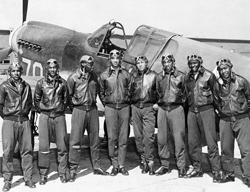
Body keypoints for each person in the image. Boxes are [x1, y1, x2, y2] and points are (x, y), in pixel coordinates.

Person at [67, 55, 109, 182]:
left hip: (92, 110)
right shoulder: (73, 78)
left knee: (95, 140)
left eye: (92, 64)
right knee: (75, 141)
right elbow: (68, 96)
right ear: (83, 64)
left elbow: (98, 92)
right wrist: (76, 107)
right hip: (79, 110)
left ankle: (96, 166)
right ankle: (73, 169)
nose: (92, 66)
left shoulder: (94, 76)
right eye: (90, 64)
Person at [184, 54, 223, 182]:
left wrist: (219, 111)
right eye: (191, 63)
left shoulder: (208, 76)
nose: (193, 65)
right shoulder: (187, 77)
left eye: (195, 63)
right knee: (193, 142)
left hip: (206, 110)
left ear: (200, 63)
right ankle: (197, 168)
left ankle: (216, 170)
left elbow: (216, 94)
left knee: (211, 142)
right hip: (192, 111)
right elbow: (186, 95)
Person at [214, 59, 250, 187]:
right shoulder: (217, 85)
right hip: (225, 120)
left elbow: (249, 97)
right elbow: (216, 101)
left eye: (226, 68)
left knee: (246, 149)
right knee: (226, 149)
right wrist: (223, 112)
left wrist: (244, 111)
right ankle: (229, 173)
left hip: (242, 118)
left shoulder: (241, 81)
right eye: (221, 69)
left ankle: (248, 176)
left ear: (230, 68)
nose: (224, 71)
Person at [0, 62, 36, 191]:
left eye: (18, 71)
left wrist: (25, 117)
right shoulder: (4, 86)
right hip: (10, 121)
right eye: (14, 71)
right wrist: (7, 117)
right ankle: (7, 180)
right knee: (8, 151)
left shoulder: (26, 86)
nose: (16, 73)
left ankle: (28, 178)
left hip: (24, 121)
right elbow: (0, 104)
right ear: (10, 72)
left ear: (21, 72)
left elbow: (30, 103)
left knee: (27, 150)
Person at [34, 58, 69, 184]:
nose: (53, 70)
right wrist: (44, 111)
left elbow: (66, 100)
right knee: (43, 146)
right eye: (50, 68)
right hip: (45, 116)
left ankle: (63, 172)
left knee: (62, 146)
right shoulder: (40, 83)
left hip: (59, 116)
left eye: (54, 67)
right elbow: (36, 100)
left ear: (57, 68)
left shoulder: (63, 83)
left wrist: (59, 110)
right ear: (47, 69)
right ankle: (43, 174)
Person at [99, 49, 131, 176]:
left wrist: (126, 101)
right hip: (110, 108)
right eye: (113, 58)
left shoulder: (126, 74)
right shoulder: (104, 75)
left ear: (120, 60)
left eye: (117, 58)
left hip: (124, 107)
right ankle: (114, 165)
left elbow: (131, 89)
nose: (115, 60)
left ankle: (122, 165)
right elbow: (101, 92)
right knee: (112, 138)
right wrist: (107, 104)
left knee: (123, 138)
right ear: (110, 60)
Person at [155, 54, 187, 177]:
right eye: (164, 62)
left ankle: (181, 166)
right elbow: (157, 92)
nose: (167, 64)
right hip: (162, 109)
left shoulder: (181, 76)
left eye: (169, 62)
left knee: (178, 139)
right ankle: (164, 165)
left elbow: (186, 94)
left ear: (173, 62)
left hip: (176, 109)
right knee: (162, 139)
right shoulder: (159, 77)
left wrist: (178, 104)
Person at [130, 56, 157, 175]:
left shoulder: (154, 76)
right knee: (138, 136)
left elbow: (160, 90)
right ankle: (143, 160)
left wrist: (156, 103)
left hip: (148, 108)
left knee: (149, 136)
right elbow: (129, 92)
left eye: (142, 62)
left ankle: (150, 161)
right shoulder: (133, 76)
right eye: (138, 63)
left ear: (147, 63)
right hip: (136, 108)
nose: (140, 64)